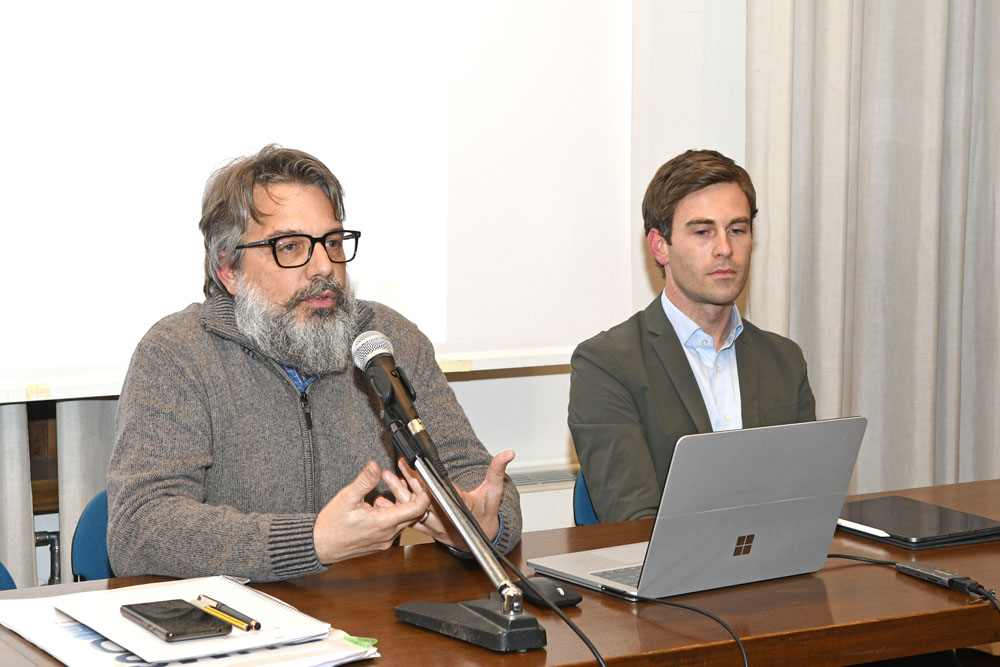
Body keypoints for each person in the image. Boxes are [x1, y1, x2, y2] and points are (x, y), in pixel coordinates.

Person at [107, 145, 521, 582]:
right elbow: (141, 528)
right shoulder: (178, 353)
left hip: (371, 615)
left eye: (334, 242)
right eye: (290, 246)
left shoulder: (387, 339)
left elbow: (477, 477)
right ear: (229, 270)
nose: (324, 266)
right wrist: (313, 541)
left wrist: (483, 523)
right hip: (239, 630)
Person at [568, 149, 816, 523]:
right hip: (672, 576)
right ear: (659, 245)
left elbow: (807, 499)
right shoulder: (606, 364)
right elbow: (632, 521)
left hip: (776, 567)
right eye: (703, 231)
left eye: (738, 229)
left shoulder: (784, 359)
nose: (725, 249)